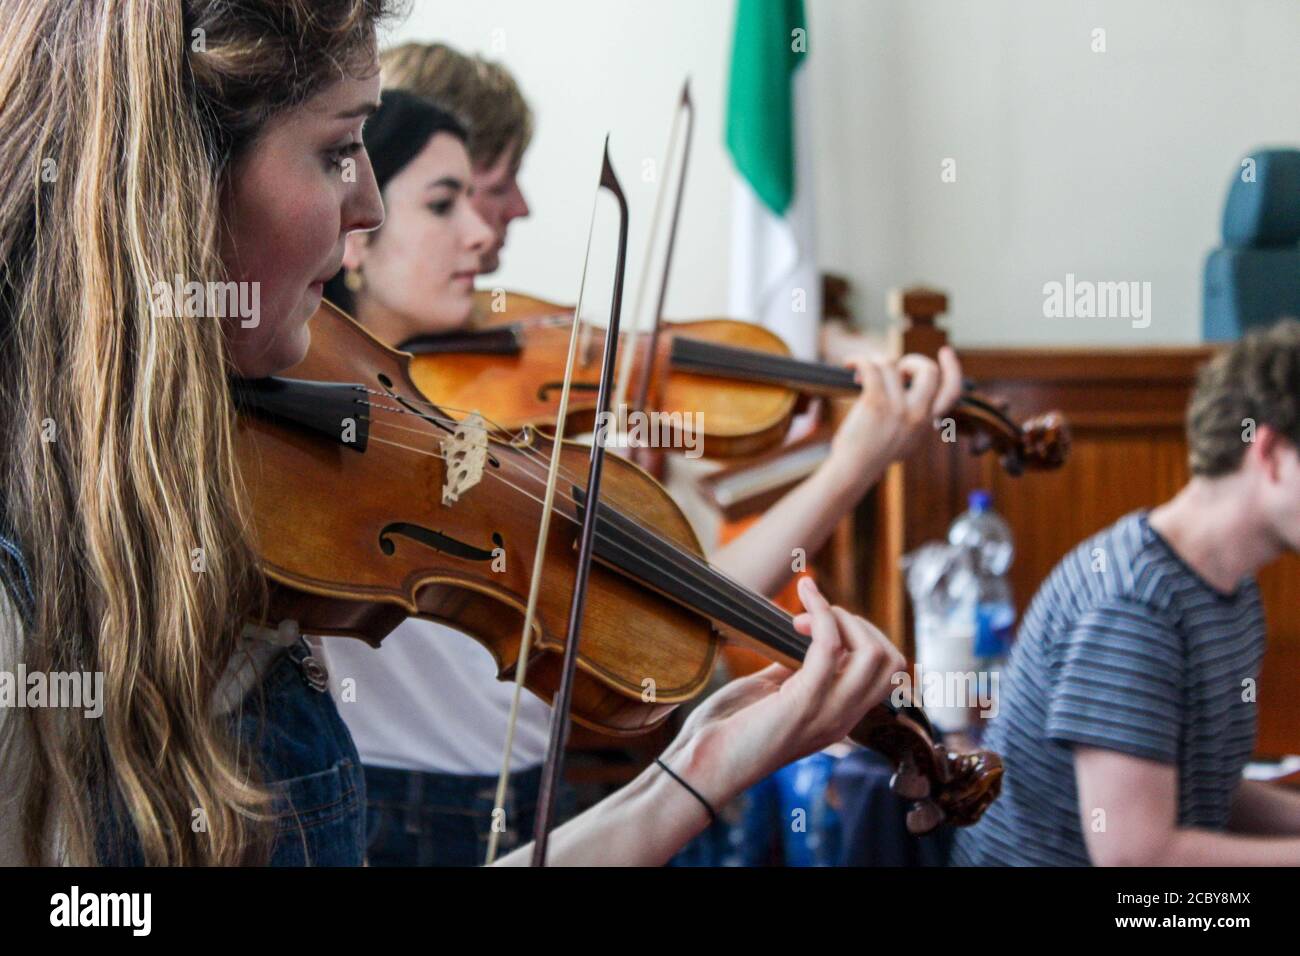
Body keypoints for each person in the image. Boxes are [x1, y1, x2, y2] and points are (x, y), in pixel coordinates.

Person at [0, 0, 903, 867]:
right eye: (334, 149)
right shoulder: (77, 576)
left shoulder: (251, 466)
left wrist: (697, 768)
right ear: (180, 179)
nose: (369, 211)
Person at [322, 58, 963, 865]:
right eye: (450, 202)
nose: (489, 232)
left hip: (530, 791)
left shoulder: (481, 405)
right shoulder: (339, 420)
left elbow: (688, 594)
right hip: (404, 809)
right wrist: (852, 461)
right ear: (354, 229)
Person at [951, 319, 1300, 866]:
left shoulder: (1232, 592)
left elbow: (1203, 795)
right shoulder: (1132, 607)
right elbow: (1138, 861)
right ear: (1272, 455)